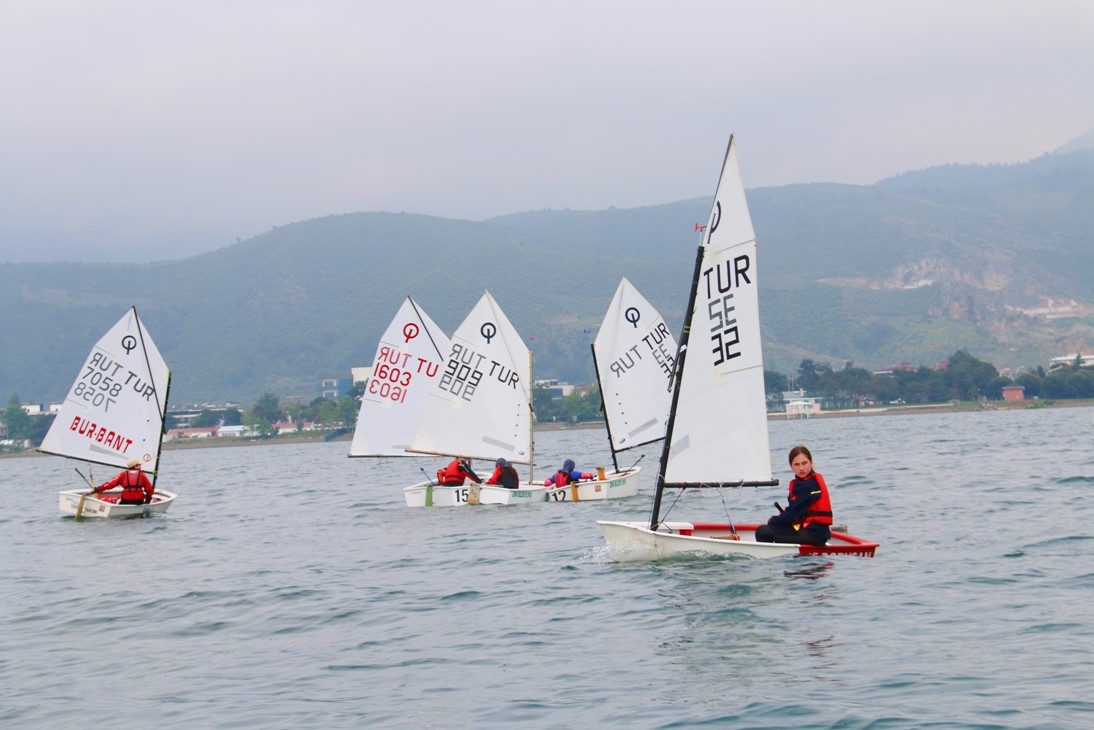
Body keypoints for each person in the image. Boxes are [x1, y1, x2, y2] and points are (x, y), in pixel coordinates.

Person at [755, 445, 833, 546]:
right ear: (791, 466)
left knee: (762, 532)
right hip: (811, 531)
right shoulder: (802, 483)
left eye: (804, 463)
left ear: (811, 462)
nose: (801, 468)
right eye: (797, 464)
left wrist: (773, 520)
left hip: (813, 534)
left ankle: (773, 560)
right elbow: (795, 513)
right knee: (774, 526)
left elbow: (791, 515)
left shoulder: (809, 485)